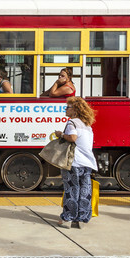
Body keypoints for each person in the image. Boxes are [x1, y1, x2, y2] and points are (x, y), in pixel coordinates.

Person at [57, 96, 97, 229]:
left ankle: (68, 218)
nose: (65, 109)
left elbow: (72, 137)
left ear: (75, 110)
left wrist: (61, 135)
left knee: (71, 189)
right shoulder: (87, 125)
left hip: (74, 162)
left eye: (68, 107)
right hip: (87, 162)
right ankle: (82, 218)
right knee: (84, 190)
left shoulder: (72, 122)